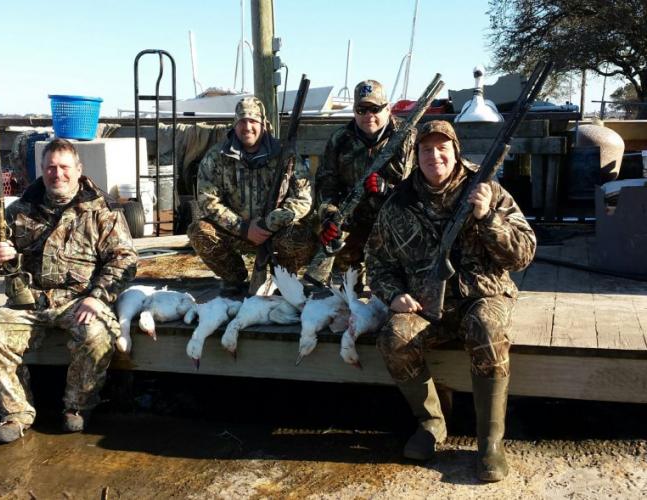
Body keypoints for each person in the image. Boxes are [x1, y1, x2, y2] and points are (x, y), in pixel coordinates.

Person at [365, 120, 536, 481]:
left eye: (442, 147)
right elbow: (377, 263)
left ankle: (490, 442)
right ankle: (430, 424)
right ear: (416, 155)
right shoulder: (399, 202)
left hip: (484, 295)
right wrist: (394, 295)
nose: (434, 155)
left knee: (488, 329)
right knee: (393, 337)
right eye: (426, 149)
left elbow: (522, 255)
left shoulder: (486, 189)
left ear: (456, 151)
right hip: (426, 304)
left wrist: (487, 217)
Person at [0, 138, 138, 444]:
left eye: (64, 167)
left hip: (79, 300)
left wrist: (97, 296)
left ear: (78, 170)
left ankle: (77, 407)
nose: (57, 174)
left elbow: (126, 260)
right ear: (42, 170)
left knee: (96, 336)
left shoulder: (101, 212)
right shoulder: (19, 211)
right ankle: (15, 413)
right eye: (51, 167)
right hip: (29, 304)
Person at [188, 97, 314, 294]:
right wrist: (243, 228)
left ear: (263, 124)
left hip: (275, 231)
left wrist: (271, 222)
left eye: (253, 121)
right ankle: (235, 279)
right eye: (242, 121)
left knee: (302, 234)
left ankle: (283, 277)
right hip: (236, 231)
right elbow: (208, 201)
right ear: (235, 125)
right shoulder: (216, 157)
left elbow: (303, 199)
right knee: (199, 231)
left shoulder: (285, 155)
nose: (247, 127)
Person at [314, 79, 416, 284]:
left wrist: (388, 189)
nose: (368, 115)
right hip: (354, 221)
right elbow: (326, 184)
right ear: (354, 111)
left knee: (399, 285)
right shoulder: (340, 139)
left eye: (375, 108)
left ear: (388, 109)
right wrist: (330, 216)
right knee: (344, 288)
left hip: (395, 221)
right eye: (362, 109)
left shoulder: (408, 137)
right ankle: (346, 277)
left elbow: (420, 187)